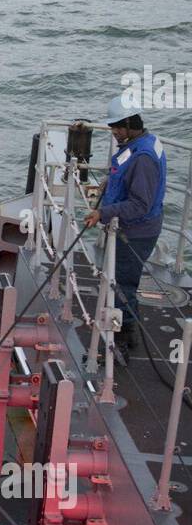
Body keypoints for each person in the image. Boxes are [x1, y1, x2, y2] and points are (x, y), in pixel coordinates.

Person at [85, 94, 166, 352]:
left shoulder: (143, 158)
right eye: (112, 127)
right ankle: (122, 327)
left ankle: (125, 337)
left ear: (131, 124)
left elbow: (140, 204)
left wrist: (103, 213)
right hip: (132, 228)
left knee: (123, 283)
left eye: (118, 127)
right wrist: (110, 182)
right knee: (120, 280)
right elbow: (124, 172)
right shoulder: (143, 143)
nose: (114, 132)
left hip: (136, 232)